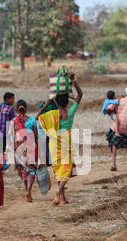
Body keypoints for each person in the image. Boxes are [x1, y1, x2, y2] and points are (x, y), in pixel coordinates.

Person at [37, 72, 83, 205]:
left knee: (58, 170)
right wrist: (73, 80)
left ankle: (62, 198)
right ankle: (59, 192)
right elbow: (80, 95)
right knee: (66, 169)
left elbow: (37, 118)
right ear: (68, 101)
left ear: (56, 101)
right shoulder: (71, 112)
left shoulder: (51, 114)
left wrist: (46, 105)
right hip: (65, 142)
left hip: (53, 144)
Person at [106, 85, 127, 171]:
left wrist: (112, 115)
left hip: (116, 126)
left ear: (126, 92)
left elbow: (108, 109)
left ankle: (113, 165)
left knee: (114, 145)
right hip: (126, 128)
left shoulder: (119, 100)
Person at [11, 99, 38, 202]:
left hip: (19, 149)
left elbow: (13, 137)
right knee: (32, 170)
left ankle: (26, 190)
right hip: (30, 148)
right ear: (26, 108)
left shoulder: (14, 120)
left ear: (17, 109)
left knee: (23, 171)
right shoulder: (32, 120)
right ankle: (28, 191)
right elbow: (36, 136)